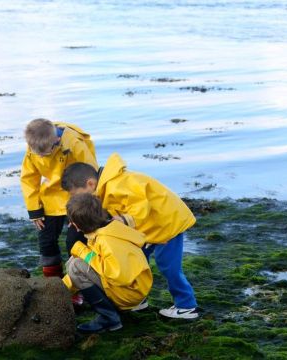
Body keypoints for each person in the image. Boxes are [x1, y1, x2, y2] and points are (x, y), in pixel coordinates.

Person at [61, 152, 198, 319]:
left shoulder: (119, 184)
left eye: (76, 194)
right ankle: (139, 300)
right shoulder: (104, 187)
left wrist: (123, 220)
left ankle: (186, 306)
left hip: (168, 223)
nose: (77, 198)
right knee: (136, 258)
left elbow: (141, 207)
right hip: (149, 227)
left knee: (168, 266)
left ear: (90, 183)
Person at [62, 193, 153, 333]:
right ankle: (111, 311)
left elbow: (116, 274)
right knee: (75, 262)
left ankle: (108, 318)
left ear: (76, 225)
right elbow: (96, 262)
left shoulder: (105, 240)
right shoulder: (108, 229)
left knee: (75, 265)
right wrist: (61, 289)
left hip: (130, 293)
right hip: (135, 287)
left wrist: (83, 251)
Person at [20, 118, 97, 278]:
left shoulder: (74, 144)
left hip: (77, 196)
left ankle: (80, 280)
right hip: (50, 198)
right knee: (46, 242)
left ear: (56, 140)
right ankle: (53, 284)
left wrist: (83, 208)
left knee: (74, 242)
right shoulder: (34, 146)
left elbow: (91, 176)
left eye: (45, 153)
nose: (41, 156)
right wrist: (34, 210)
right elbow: (29, 178)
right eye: (37, 154)